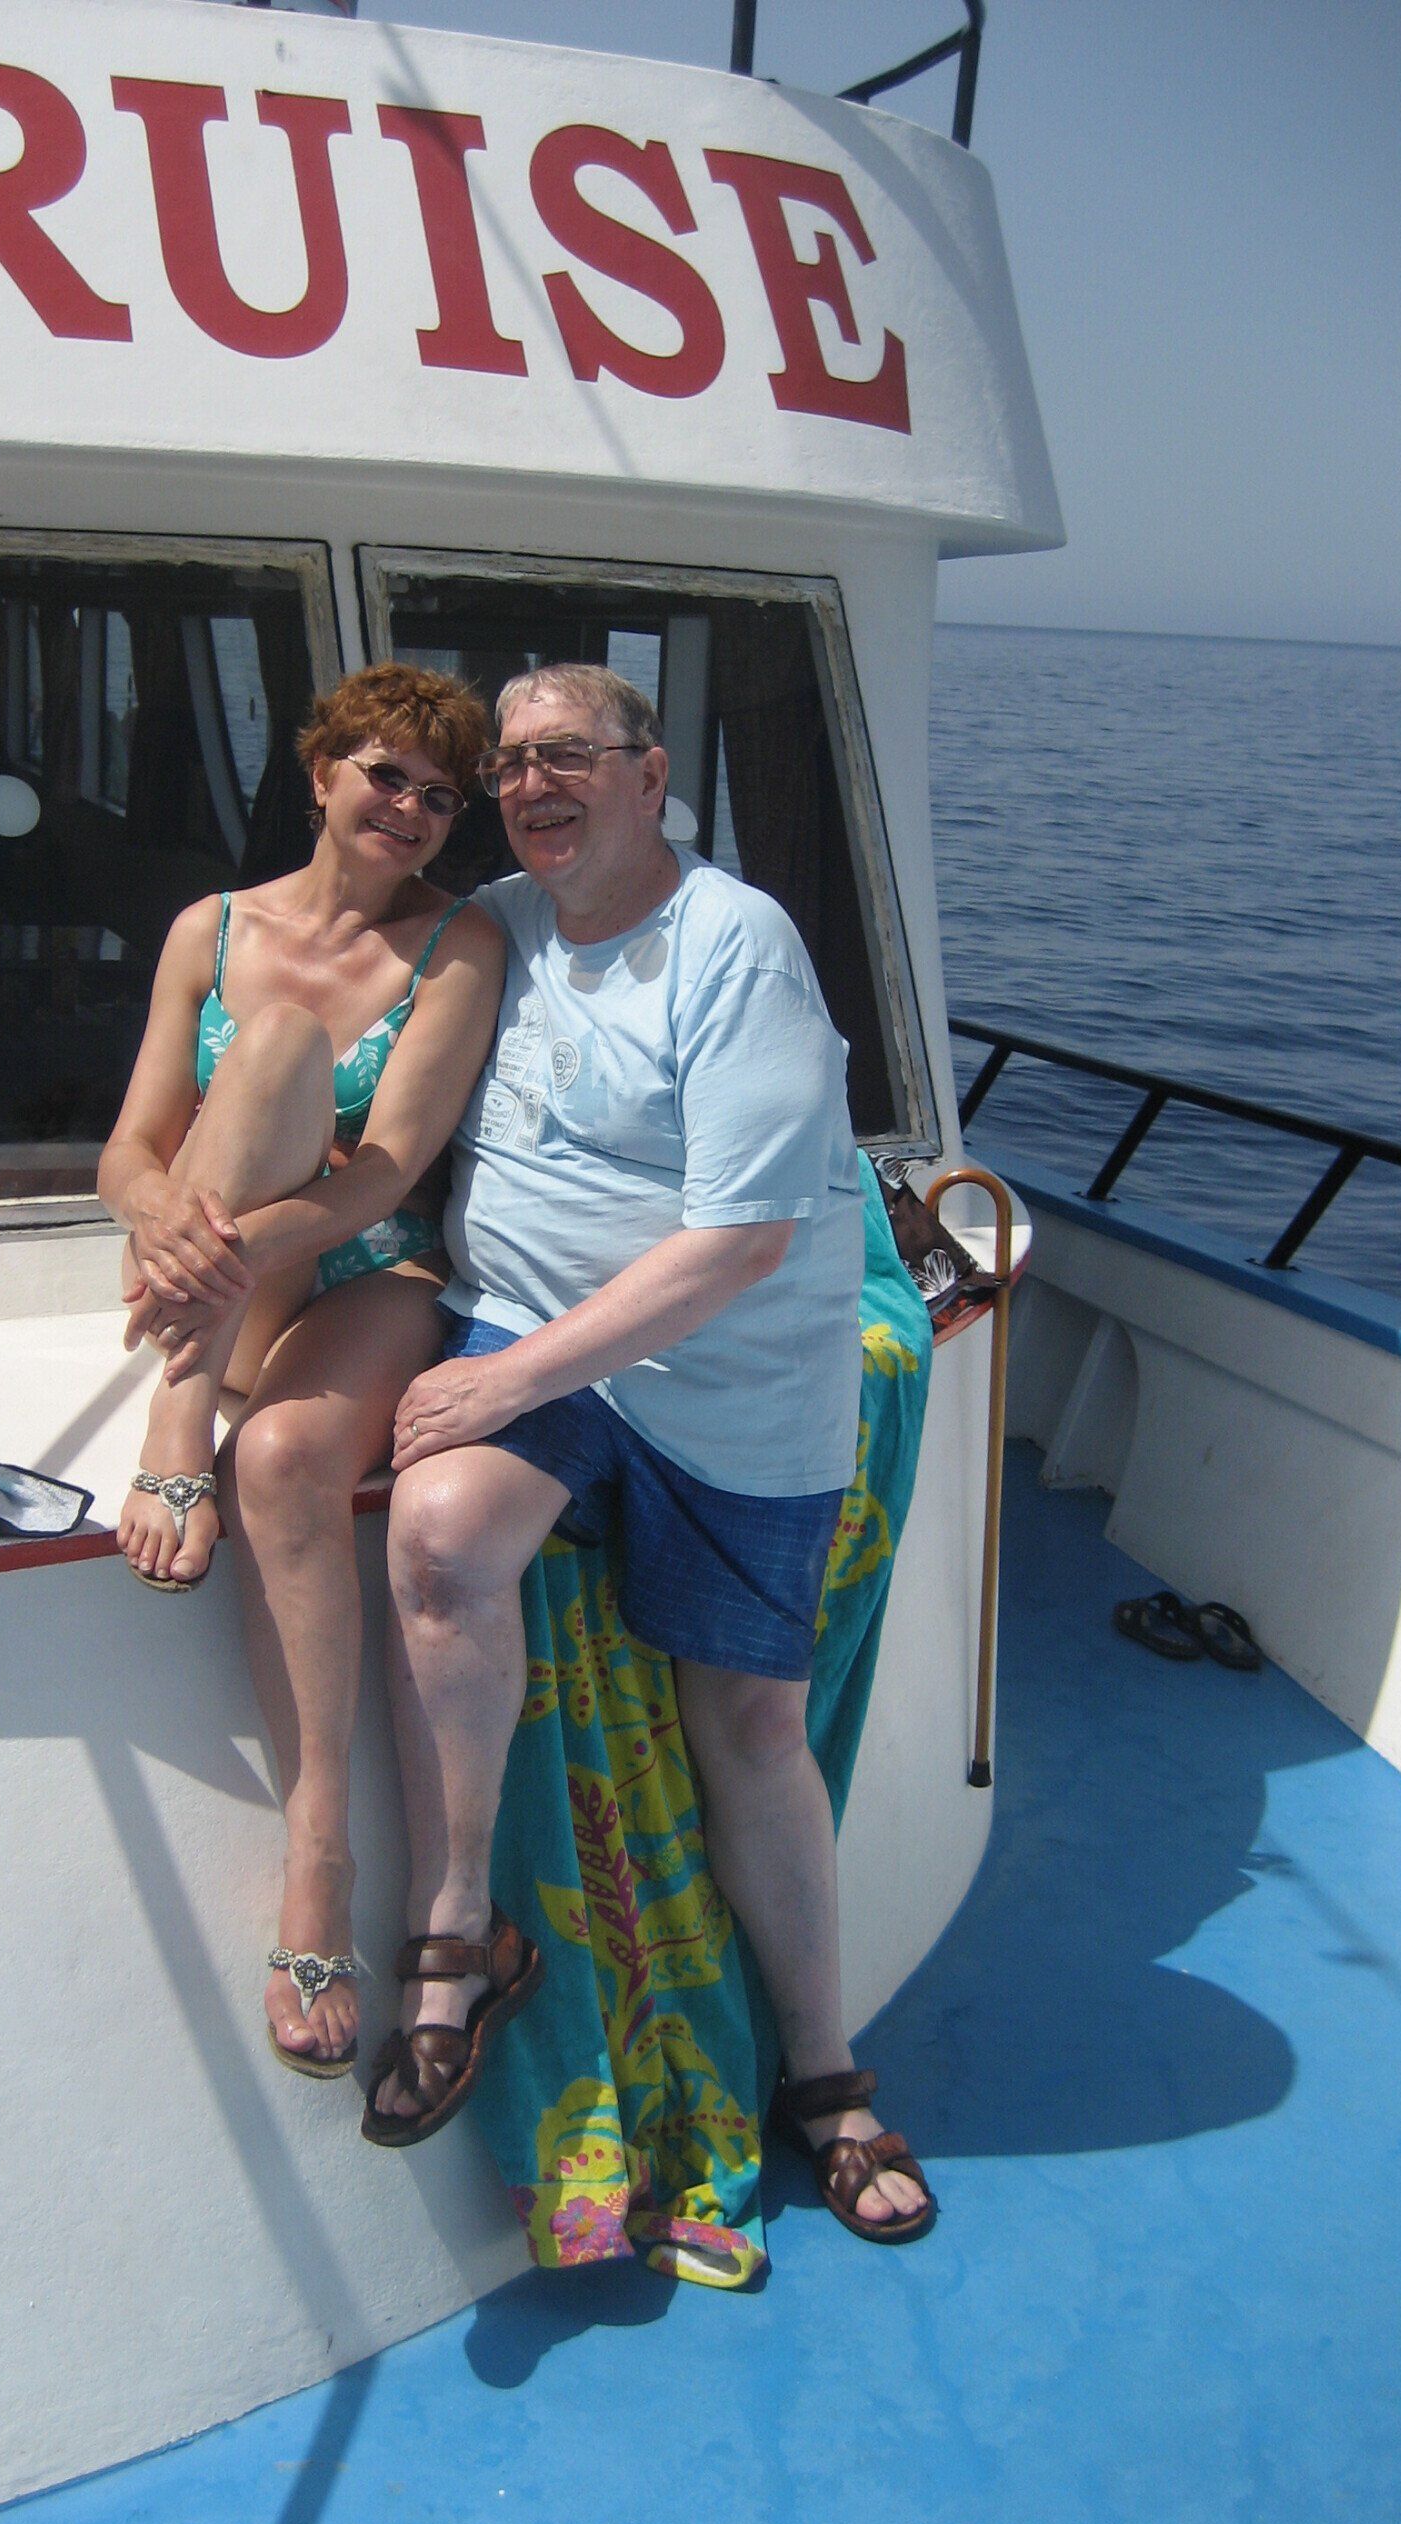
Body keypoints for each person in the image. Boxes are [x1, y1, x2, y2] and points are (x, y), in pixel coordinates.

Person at [361, 663, 936, 2244]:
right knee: (438, 1541)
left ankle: (823, 2074)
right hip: (542, 1336)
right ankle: (463, 1930)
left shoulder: (734, 945)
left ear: (649, 773)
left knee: (749, 1724)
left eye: (567, 758)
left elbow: (744, 1239)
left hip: (733, 1374)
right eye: (512, 768)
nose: (533, 787)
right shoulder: (499, 918)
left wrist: (500, 1382)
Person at [97, 664, 504, 2077]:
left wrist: (214, 1248)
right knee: (268, 1046)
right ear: (323, 769)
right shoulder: (210, 929)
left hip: (366, 1266)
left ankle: (316, 1853)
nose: (410, 809)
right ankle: (178, 1404)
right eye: (386, 774)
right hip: (219, 1276)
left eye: (441, 796)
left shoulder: (458, 950)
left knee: (276, 1459)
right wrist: (166, 1220)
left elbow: (385, 1167)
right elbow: (131, 1149)